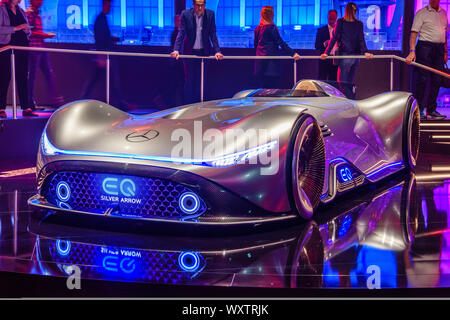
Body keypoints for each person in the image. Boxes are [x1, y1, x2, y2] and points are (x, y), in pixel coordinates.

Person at [171, 0, 223, 104]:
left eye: (202, 5)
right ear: (193, 5)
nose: (200, 8)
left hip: (204, 52)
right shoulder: (185, 14)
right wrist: (176, 50)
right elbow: (181, 33)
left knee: (201, 81)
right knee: (190, 80)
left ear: (205, 5)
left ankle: (200, 106)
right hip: (189, 52)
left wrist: (217, 51)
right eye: (198, 5)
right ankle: (188, 106)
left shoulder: (210, 14)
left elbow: (213, 34)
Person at [320, 2, 373, 99]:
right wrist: (365, 52)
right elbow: (361, 40)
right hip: (356, 58)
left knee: (342, 84)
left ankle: (352, 101)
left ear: (346, 10)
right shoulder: (359, 24)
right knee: (348, 83)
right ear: (355, 11)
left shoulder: (341, 22)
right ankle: (351, 102)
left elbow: (334, 38)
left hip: (346, 57)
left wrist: (326, 53)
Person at [80, 0, 127, 109]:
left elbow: (104, 37)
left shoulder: (102, 19)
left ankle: (83, 99)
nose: (110, 7)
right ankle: (121, 104)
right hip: (104, 55)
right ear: (105, 4)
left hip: (104, 54)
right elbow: (101, 38)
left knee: (95, 79)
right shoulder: (100, 19)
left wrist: (115, 39)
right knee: (111, 79)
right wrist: (101, 55)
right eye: (109, 5)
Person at [406, 0, 448, 120]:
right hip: (425, 47)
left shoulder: (443, 13)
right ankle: (419, 109)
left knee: (437, 79)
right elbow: (414, 33)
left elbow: (445, 33)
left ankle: (431, 110)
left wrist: (445, 52)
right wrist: (412, 51)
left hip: (439, 48)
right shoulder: (421, 13)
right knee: (422, 78)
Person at [0, 0, 36, 118]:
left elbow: (27, 30)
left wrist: (27, 30)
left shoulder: (21, 11)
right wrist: (16, 28)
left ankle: (26, 108)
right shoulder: (2, 9)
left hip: (22, 48)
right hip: (7, 48)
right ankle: (1, 108)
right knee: (4, 78)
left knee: (22, 77)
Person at [26, 0, 64, 110]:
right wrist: (45, 35)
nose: (41, 1)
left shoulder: (37, 13)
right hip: (33, 49)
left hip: (41, 48)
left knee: (49, 74)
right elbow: (29, 32)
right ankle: (29, 103)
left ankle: (55, 101)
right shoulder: (29, 13)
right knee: (32, 77)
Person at [254, 6, 300, 89]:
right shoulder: (271, 28)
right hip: (270, 64)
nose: (274, 15)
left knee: (262, 89)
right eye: (272, 14)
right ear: (270, 15)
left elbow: (255, 45)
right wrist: (293, 53)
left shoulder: (257, 29)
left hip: (260, 63)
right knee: (272, 89)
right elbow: (280, 42)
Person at [315, 9, 338, 81]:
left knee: (334, 81)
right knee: (322, 81)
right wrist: (324, 44)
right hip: (324, 60)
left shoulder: (339, 30)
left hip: (336, 60)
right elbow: (316, 45)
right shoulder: (321, 30)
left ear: (336, 17)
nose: (332, 18)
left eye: (333, 16)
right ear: (327, 17)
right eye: (330, 16)